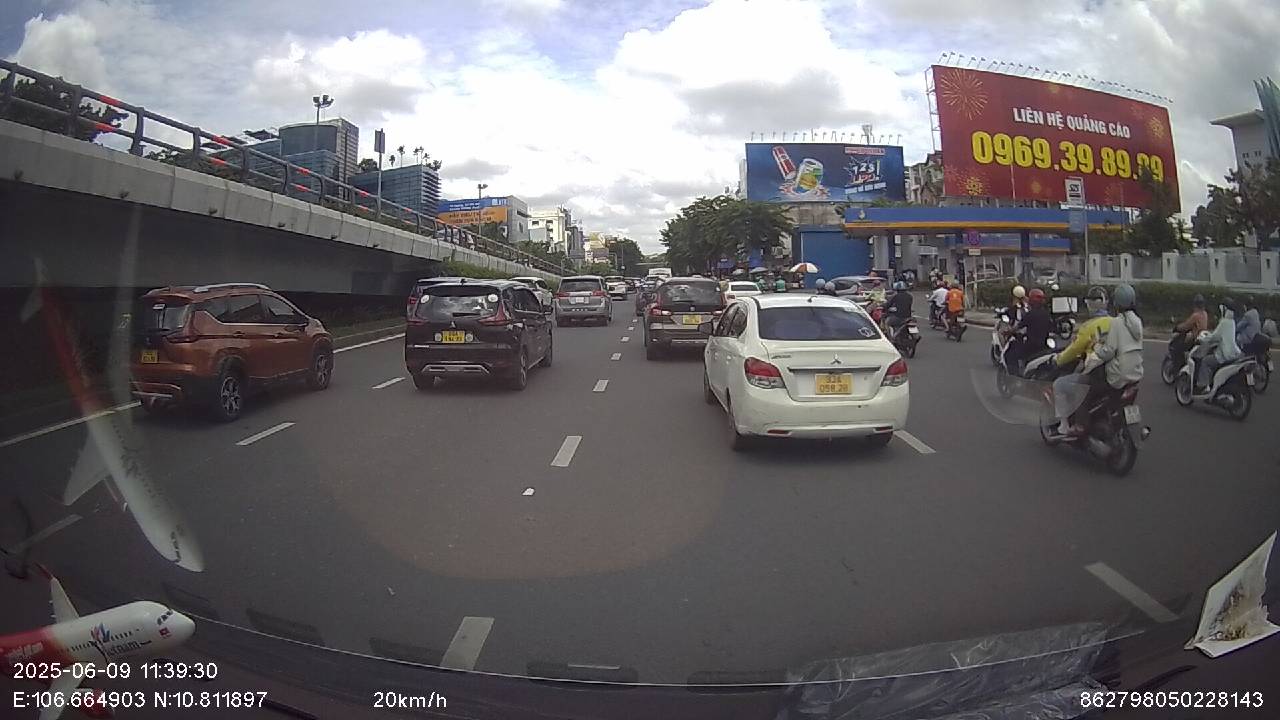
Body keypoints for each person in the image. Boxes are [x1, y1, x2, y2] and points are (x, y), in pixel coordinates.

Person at [1051, 286, 1111, 436]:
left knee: (1059, 385)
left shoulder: (1088, 326)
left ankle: (1064, 426)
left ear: (1089, 305)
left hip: (1096, 372)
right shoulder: (1115, 322)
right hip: (1115, 372)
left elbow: (1074, 349)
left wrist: (1059, 359)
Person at [1095, 284, 1144, 392]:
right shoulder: (1137, 321)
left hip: (1119, 375)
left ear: (1116, 303)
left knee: (1095, 382)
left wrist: (1097, 347)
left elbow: (1108, 352)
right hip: (1136, 372)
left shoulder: (1116, 322)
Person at [1195, 298, 1242, 392]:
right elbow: (1221, 336)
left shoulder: (1224, 322)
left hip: (1224, 355)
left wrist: (1202, 339)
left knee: (1205, 361)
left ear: (1224, 309)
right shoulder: (1232, 322)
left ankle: (1204, 386)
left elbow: (1214, 337)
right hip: (1234, 353)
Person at [1006, 288, 1051, 374]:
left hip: (1030, 346)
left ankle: (1015, 376)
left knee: (1011, 355)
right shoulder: (1046, 313)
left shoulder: (1030, 314)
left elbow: (1018, 326)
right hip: (1044, 345)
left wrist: (1009, 332)